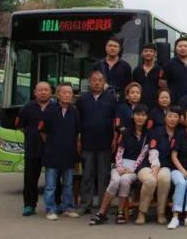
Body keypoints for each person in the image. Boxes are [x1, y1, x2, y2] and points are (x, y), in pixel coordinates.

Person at [89, 104, 150, 225]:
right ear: (133, 116)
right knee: (115, 180)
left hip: (135, 168)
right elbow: (120, 151)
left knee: (125, 180)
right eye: (138, 114)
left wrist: (133, 170)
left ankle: (120, 211)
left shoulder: (148, 135)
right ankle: (101, 213)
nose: (140, 117)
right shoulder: (126, 132)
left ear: (147, 117)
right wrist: (119, 167)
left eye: (143, 115)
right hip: (120, 164)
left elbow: (143, 155)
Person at [77, 71, 118, 215]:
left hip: (105, 142)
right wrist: (78, 139)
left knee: (104, 175)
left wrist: (114, 138)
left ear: (104, 82)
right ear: (90, 82)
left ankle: (103, 205)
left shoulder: (111, 99)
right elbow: (78, 122)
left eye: (100, 80)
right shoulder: (82, 99)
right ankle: (85, 204)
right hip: (87, 142)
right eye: (94, 80)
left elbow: (115, 121)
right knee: (87, 174)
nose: (97, 83)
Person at [39, 83, 81, 220]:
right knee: (50, 185)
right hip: (52, 153)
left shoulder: (74, 111)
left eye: (70, 93)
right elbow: (43, 132)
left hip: (69, 154)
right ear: (57, 95)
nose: (67, 95)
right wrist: (52, 144)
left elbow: (77, 133)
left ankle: (68, 208)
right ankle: (50, 209)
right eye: (64, 92)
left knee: (68, 184)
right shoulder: (50, 111)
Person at [137, 107, 179, 225]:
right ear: (165, 118)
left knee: (165, 179)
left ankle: (161, 213)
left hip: (166, 166)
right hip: (149, 164)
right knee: (150, 180)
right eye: (169, 116)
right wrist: (155, 165)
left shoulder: (180, 133)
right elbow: (153, 149)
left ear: (179, 119)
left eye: (175, 117)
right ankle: (142, 212)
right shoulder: (156, 131)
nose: (172, 119)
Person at [16, 81, 53, 216]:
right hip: (32, 147)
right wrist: (31, 135)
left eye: (46, 90)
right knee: (30, 178)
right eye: (40, 90)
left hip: (52, 149)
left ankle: (55, 204)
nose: (43, 92)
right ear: (35, 93)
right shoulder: (27, 108)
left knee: (54, 178)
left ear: (51, 92)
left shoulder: (55, 107)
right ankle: (29, 205)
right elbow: (20, 126)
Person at [161, 37, 187, 104]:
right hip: (174, 102)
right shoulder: (169, 64)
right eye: (180, 46)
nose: (183, 48)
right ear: (176, 48)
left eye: (185, 46)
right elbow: (162, 83)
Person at [92, 36, 132, 100]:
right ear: (106, 47)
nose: (112, 48)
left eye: (115, 46)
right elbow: (92, 83)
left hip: (119, 102)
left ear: (119, 49)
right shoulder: (97, 65)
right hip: (101, 100)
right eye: (110, 46)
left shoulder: (126, 67)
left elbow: (128, 87)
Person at [132, 43, 162, 109]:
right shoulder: (137, 70)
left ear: (155, 54)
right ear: (142, 53)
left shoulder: (160, 70)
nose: (148, 53)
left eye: (151, 51)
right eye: (145, 51)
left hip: (156, 106)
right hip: (139, 105)